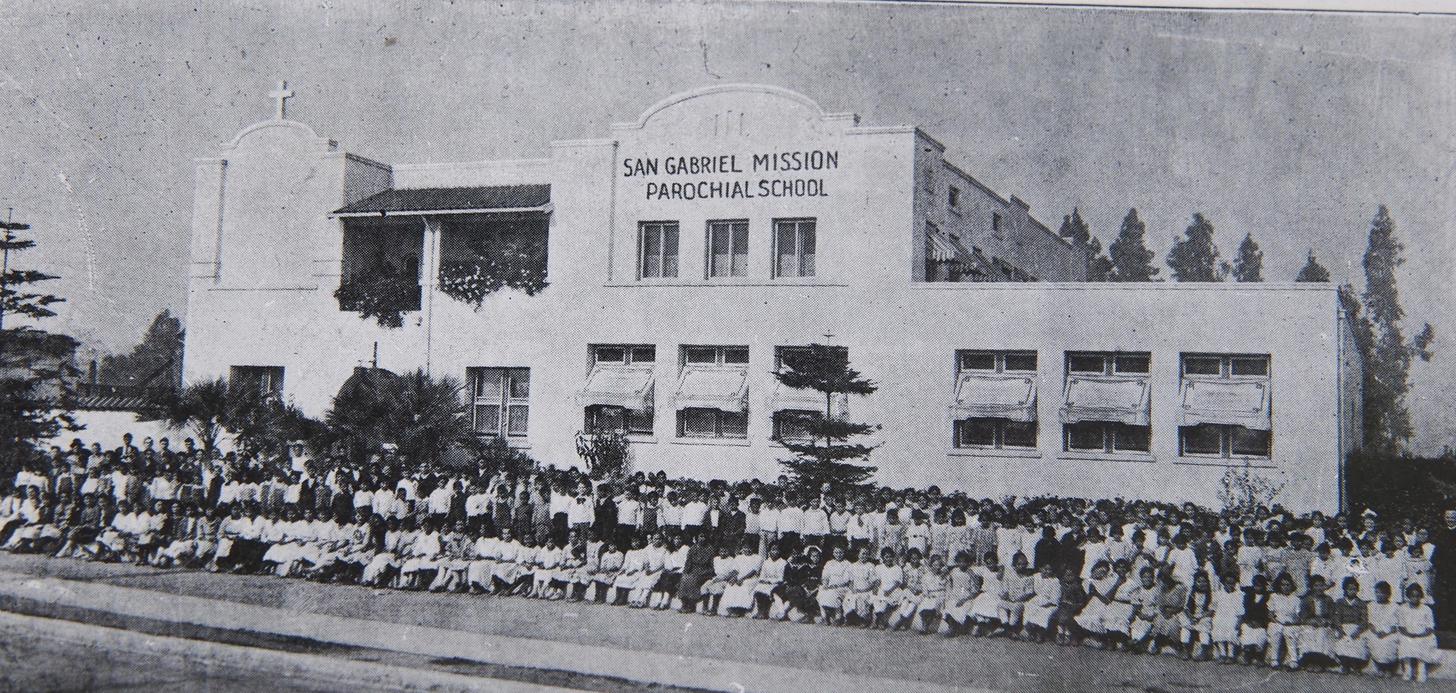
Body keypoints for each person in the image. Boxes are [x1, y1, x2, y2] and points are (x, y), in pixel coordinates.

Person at [1398, 583, 1439, 682]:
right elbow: (1401, 626)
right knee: (1405, 641)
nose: (1415, 599)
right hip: (1408, 634)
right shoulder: (1403, 608)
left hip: (1423, 634)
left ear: (1421, 596)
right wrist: (1409, 634)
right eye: (1412, 596)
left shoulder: (1426, 609)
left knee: (1423, 642)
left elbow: (1430, 627)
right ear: (1408, 596)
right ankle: (1408, 670)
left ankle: (1421, 670)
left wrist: (1421, 635)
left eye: (1417, 596)